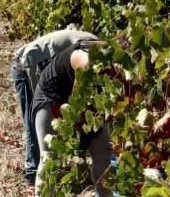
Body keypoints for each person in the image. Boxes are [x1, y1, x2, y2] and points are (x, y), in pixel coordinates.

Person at [31, 46, 112, 197]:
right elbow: (77, 101)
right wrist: (73, 130)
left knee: (104, 154)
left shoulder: (122, 70)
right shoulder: (84, 56)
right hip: (54, 100)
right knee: (50, 158)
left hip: (92, 105)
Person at [10, 29, 103, 185]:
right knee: (34, 121)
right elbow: (45, 93)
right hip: (25, 66)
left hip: (44, 65)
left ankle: (50, 165)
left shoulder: (98, 51)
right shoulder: (88, 55)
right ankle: (33, 172)